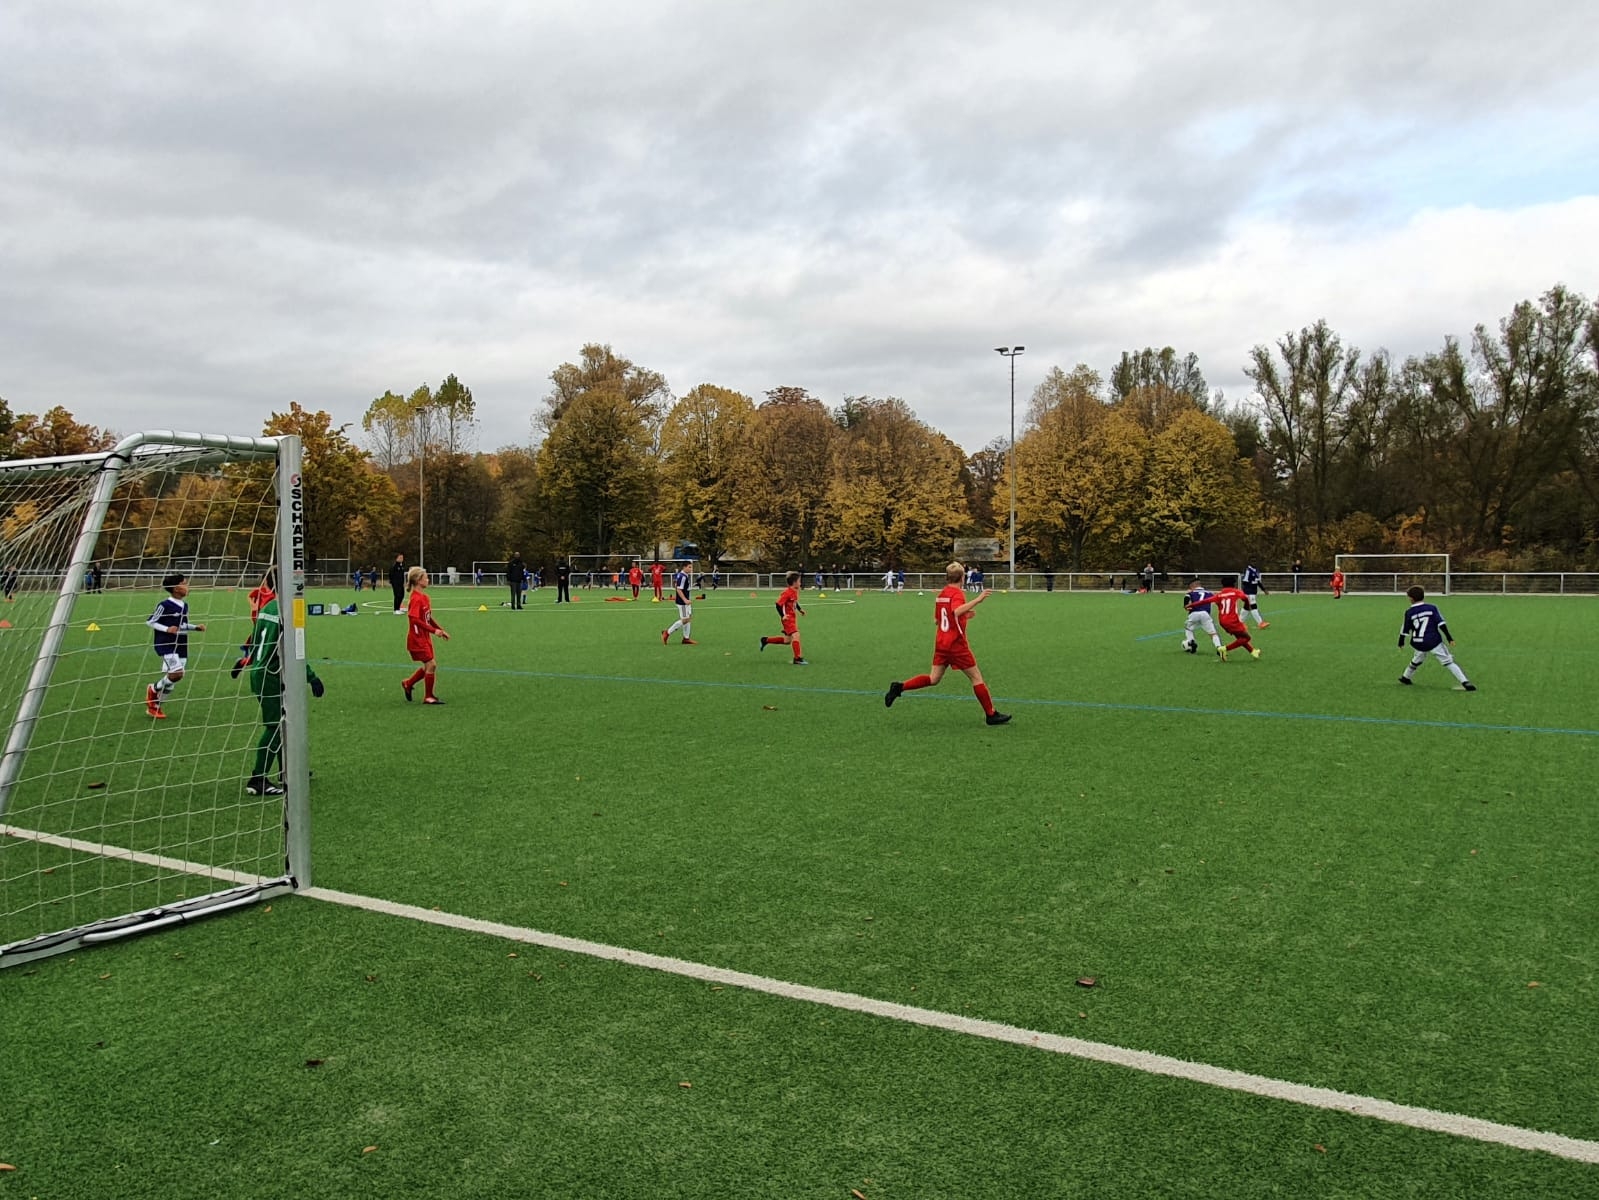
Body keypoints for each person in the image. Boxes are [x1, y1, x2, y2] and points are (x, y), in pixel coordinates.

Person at [884, 562, 1010, 725]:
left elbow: (938, 620)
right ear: (962, 578)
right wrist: (978, 600)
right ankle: (991, 714)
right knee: (976, 677)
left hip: (942, 643)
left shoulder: (942, 594)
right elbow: (955, 611)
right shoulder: (957, 593)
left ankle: (899, 687)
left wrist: (965, 615)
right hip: (956, 645)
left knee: (933, 678)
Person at [242, 567, 325, 796]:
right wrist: (312, 677)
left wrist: (247, 660)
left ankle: (286, 769)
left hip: (262, 671)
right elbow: (294, 651)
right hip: (271, 675)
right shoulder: (289, 610)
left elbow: (255, 641)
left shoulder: (267, 607)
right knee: (275, 726)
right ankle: (257, 779)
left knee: (285, 722)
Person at [145, 573, 206, 719]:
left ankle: (155, 706)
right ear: (176, 588)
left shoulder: (184, 605)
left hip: (181, 644)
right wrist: (167, 629)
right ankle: (153, 689)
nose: (187, 586)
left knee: (174, 679)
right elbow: (150, 621)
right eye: (184, 583)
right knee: (177, 673)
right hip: (166, 644)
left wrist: (195, 627)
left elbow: (181, 625)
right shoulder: (164, 605)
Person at [1398, 586, 1475, 690]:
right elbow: (1441, 623)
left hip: (1418, 642)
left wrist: (1401, 641)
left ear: (1411, 598)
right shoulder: (1432, 608)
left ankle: (1406, 677)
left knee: (1417, 658)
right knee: (1448, 661)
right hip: (1433, 640)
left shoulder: (1409, 612)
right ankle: (1465, 682)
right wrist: (1449, 638)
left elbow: (1405, 628)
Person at [401, 566, 450, 705]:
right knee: (431, 664)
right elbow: (414, 619)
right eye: (426, 577)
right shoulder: (416, 599)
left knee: (429, 665)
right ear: (418, 580)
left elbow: (428, 618)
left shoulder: (425, 598)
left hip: (425, 637)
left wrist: (440, 630)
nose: (428, 580)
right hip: (417, 638)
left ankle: (408, 683)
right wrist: (434, 631)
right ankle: (428, 697)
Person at [231, 569, 278, 678]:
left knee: (263, 643)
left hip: (266, 617)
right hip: (261, 617)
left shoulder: (272, 594)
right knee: (266, 645)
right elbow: (249, 595)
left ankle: (243, 661)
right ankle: (248, 657)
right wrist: (253, 605)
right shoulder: (261, 591)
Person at [759, 570, 807, 663]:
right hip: (788, 619)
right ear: (794, 582)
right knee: (796, 635)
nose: (800, 583)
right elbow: (778, 604)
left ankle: (765, 640)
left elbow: (794, 602)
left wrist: (800, 609)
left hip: (792, 618)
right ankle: (797, 659)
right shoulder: (787, 592)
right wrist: (783, 615)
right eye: (799, 581)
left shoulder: (795, 591)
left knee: (787, 641)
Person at [1211, 580, 1259, 661]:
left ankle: (1253, 651)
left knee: (1240, 638)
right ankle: (1224, 649)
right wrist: (1247, 604)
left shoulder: (1221, 595)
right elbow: (1244, 598)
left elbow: (1212, 602)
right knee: (1246, 637)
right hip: (1232, 621)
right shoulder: (1234, 593)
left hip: (1223, 621)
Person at [1181, 580, 1224, 657]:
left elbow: (1186, 600)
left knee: (1188, 628)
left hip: (1194, 613)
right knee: (1213, 634)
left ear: (1193, 585)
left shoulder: (1191, 593)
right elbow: (1218, 601)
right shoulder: (1209, 593)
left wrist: (1186, 607)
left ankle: (1191, 642)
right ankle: (1219, 647)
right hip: (1205, 614)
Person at [661, 564, 698, 645]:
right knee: (685, 619)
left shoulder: (682, 575)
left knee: (688, 618)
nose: (691, 569)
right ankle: (667, 632)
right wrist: (685, 600)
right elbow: (678, 589)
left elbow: (676, 585)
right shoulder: (682, 576)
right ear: (684, 567)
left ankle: (686, 638)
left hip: (685, 601)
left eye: (691, 567)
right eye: (689, 567)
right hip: (682, 602)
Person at [1239, 562, 1270, 627]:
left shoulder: (1256, 570)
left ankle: (1239, 622)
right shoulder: (1248, 571)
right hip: (1249, 592)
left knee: (1246, 607)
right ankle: (1260, 623)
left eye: (1255, 561)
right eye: (1253, 561)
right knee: (1253, 606)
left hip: (1253, 592)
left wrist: (1264, 589)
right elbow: (1244, 582)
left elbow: (1258, 582)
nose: (1255, 563)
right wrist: (1246, 592)